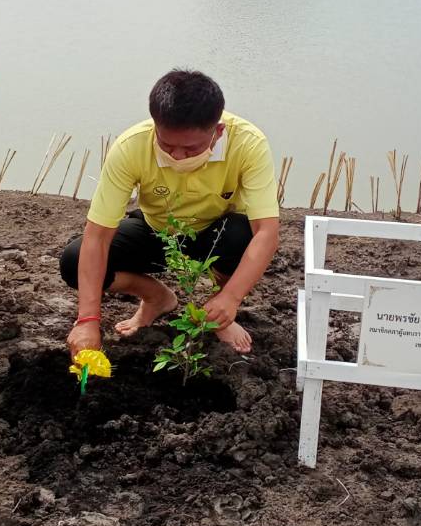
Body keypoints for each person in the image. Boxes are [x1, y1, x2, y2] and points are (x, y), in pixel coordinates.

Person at [62, 69, 280, 359]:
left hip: (214, 236)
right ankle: (156, 297)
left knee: (243, 234)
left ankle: (219, 312)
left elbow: (267, 231)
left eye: (190, 149)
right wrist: (88, 320)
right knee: (73, 261)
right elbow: (98, 236)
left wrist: (231, 297)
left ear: (217, 132)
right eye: (167, 145)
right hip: (158, 231)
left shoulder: (248, 143)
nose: (177, 156)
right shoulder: (131, 147)